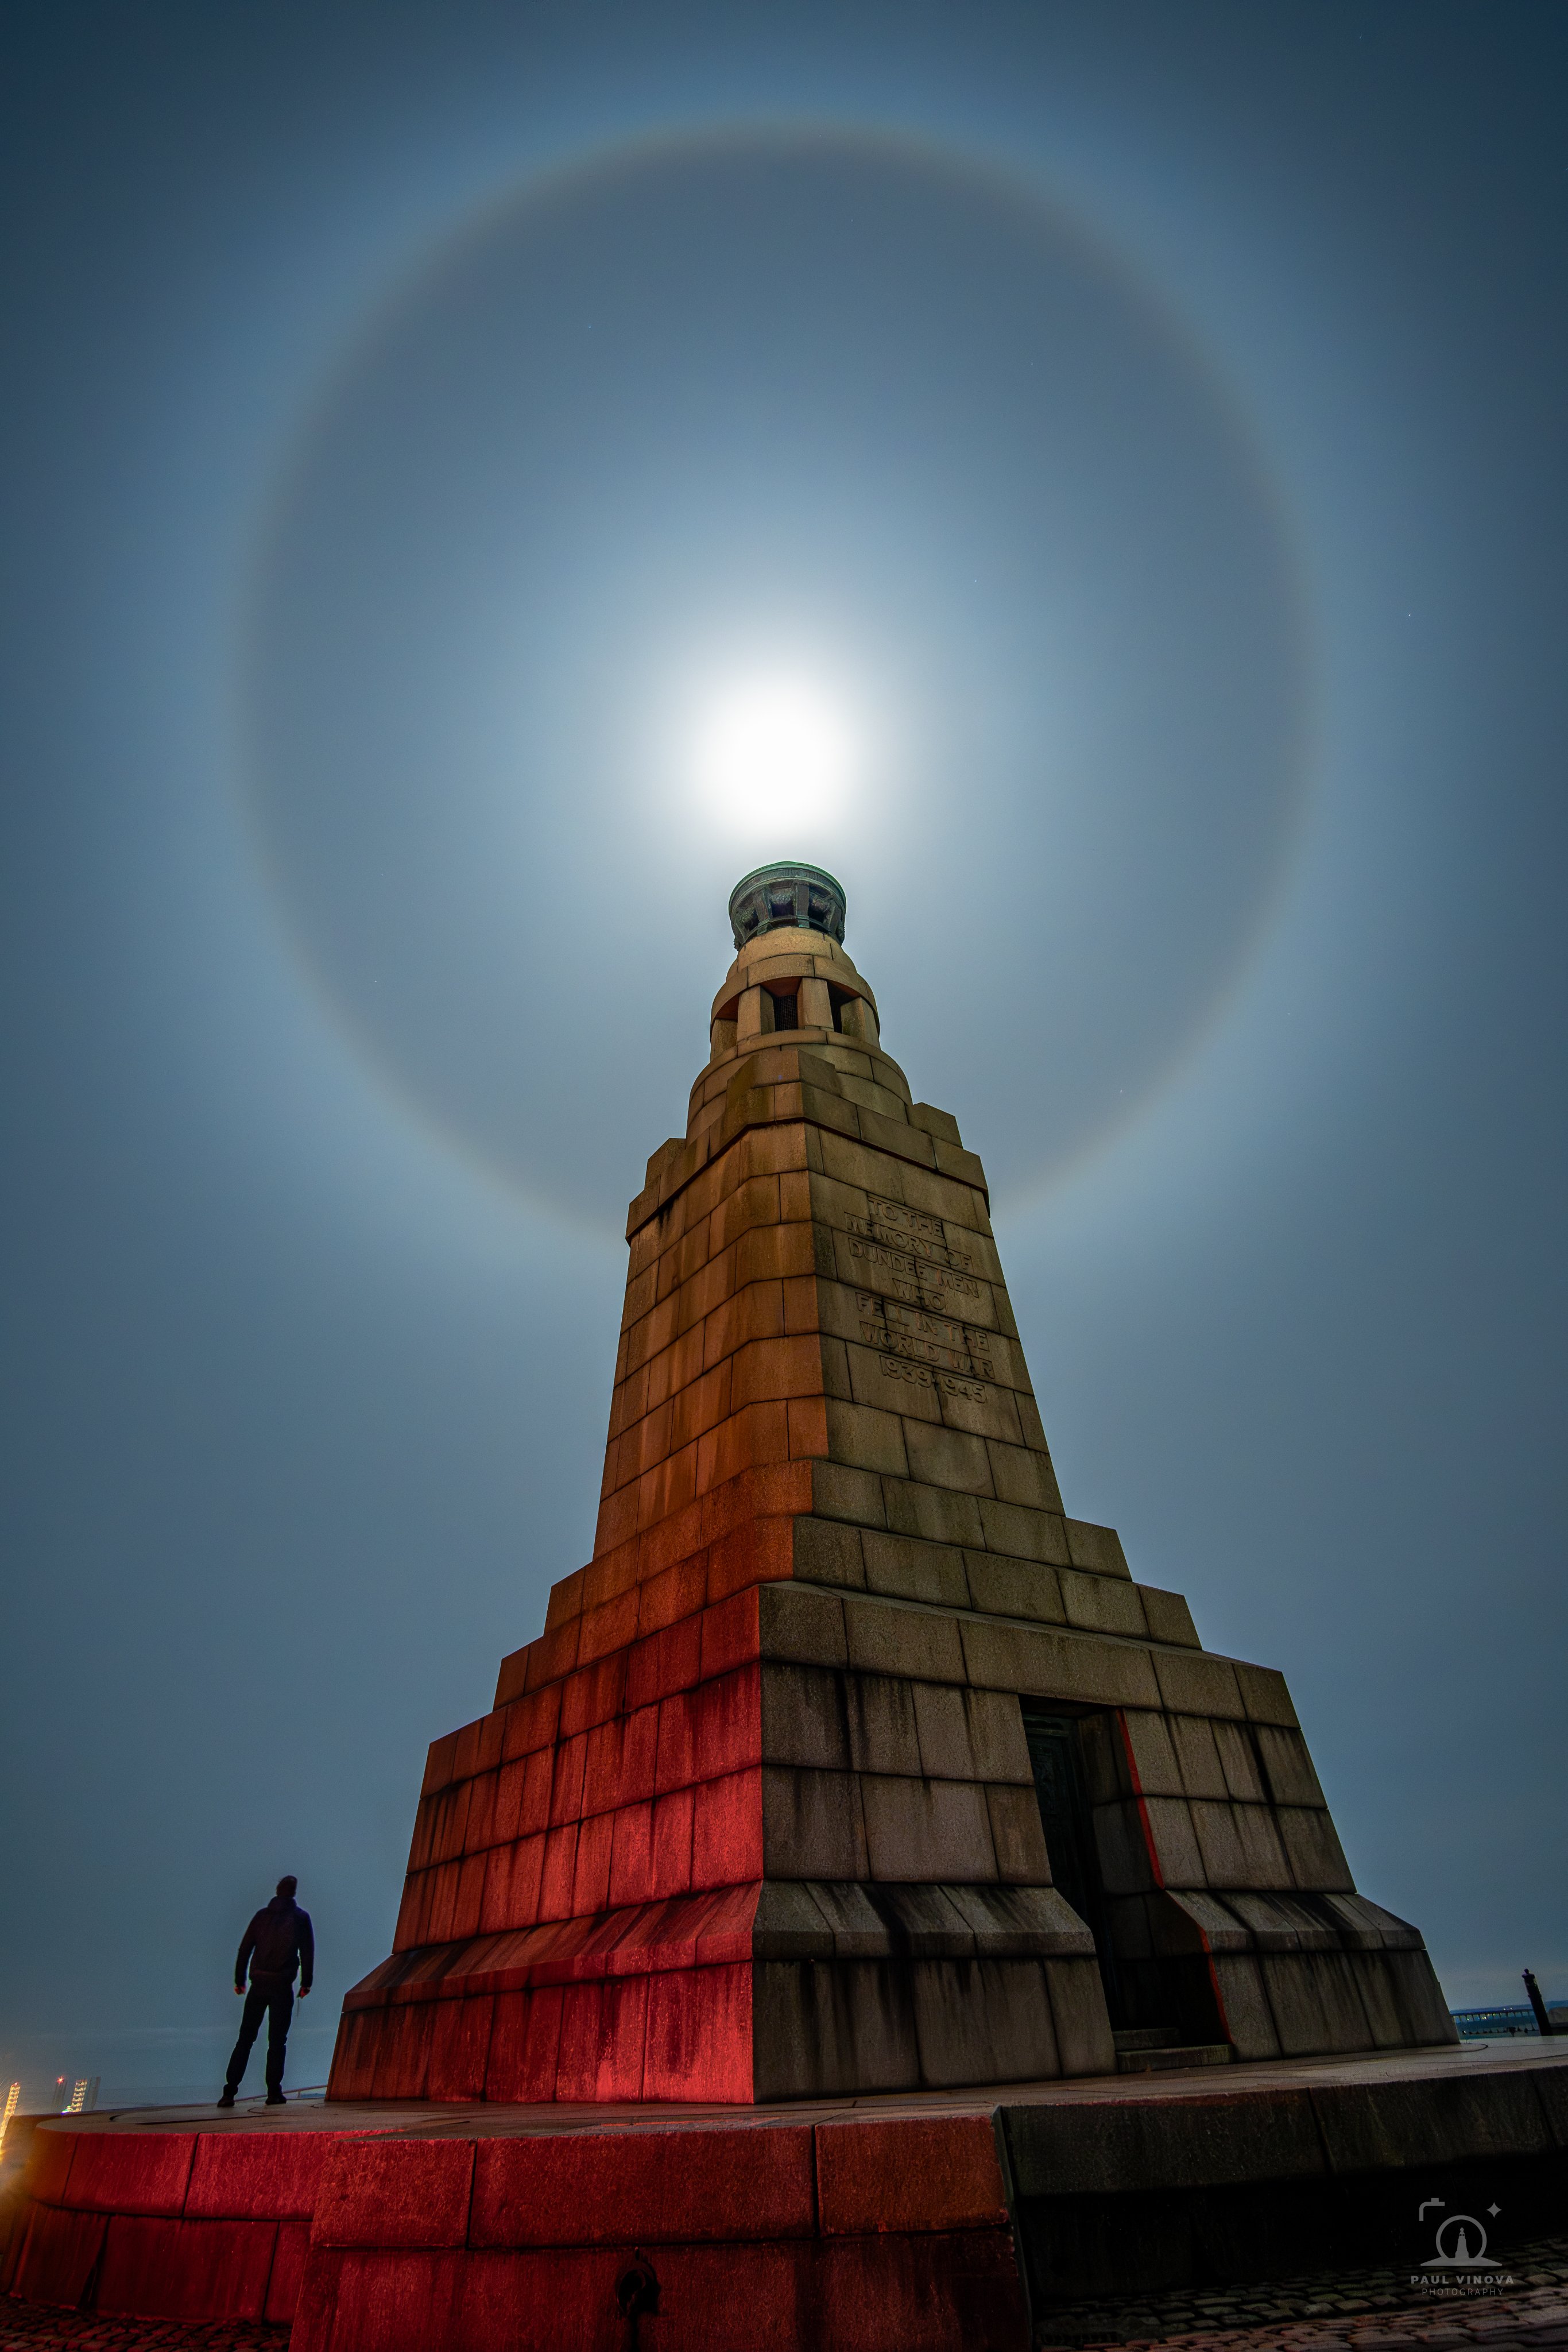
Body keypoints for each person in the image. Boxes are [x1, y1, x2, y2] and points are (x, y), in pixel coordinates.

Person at [218, 1875, 313, 2107]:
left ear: (277, 1891)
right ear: (293, 1893)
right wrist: (306, 1983)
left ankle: (229, 2093)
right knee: (277, 2041)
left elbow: (245, 1949)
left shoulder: (261, 1917)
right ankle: (273, 2092)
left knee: (245, 2039)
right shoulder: (301, 1918)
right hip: (282, 1987)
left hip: (258, 1986)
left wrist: (239, 1980)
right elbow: (307, 1952)